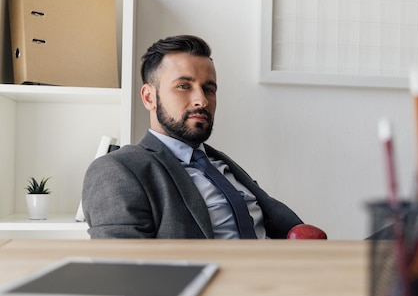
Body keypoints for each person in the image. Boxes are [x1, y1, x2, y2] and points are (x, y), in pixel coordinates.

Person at [82, 34, 304, 239]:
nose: (202, 101)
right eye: (183, 86)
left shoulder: (219, 163)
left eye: (209, 89)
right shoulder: (117, 170)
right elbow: (122, 271)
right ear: (150, 97)